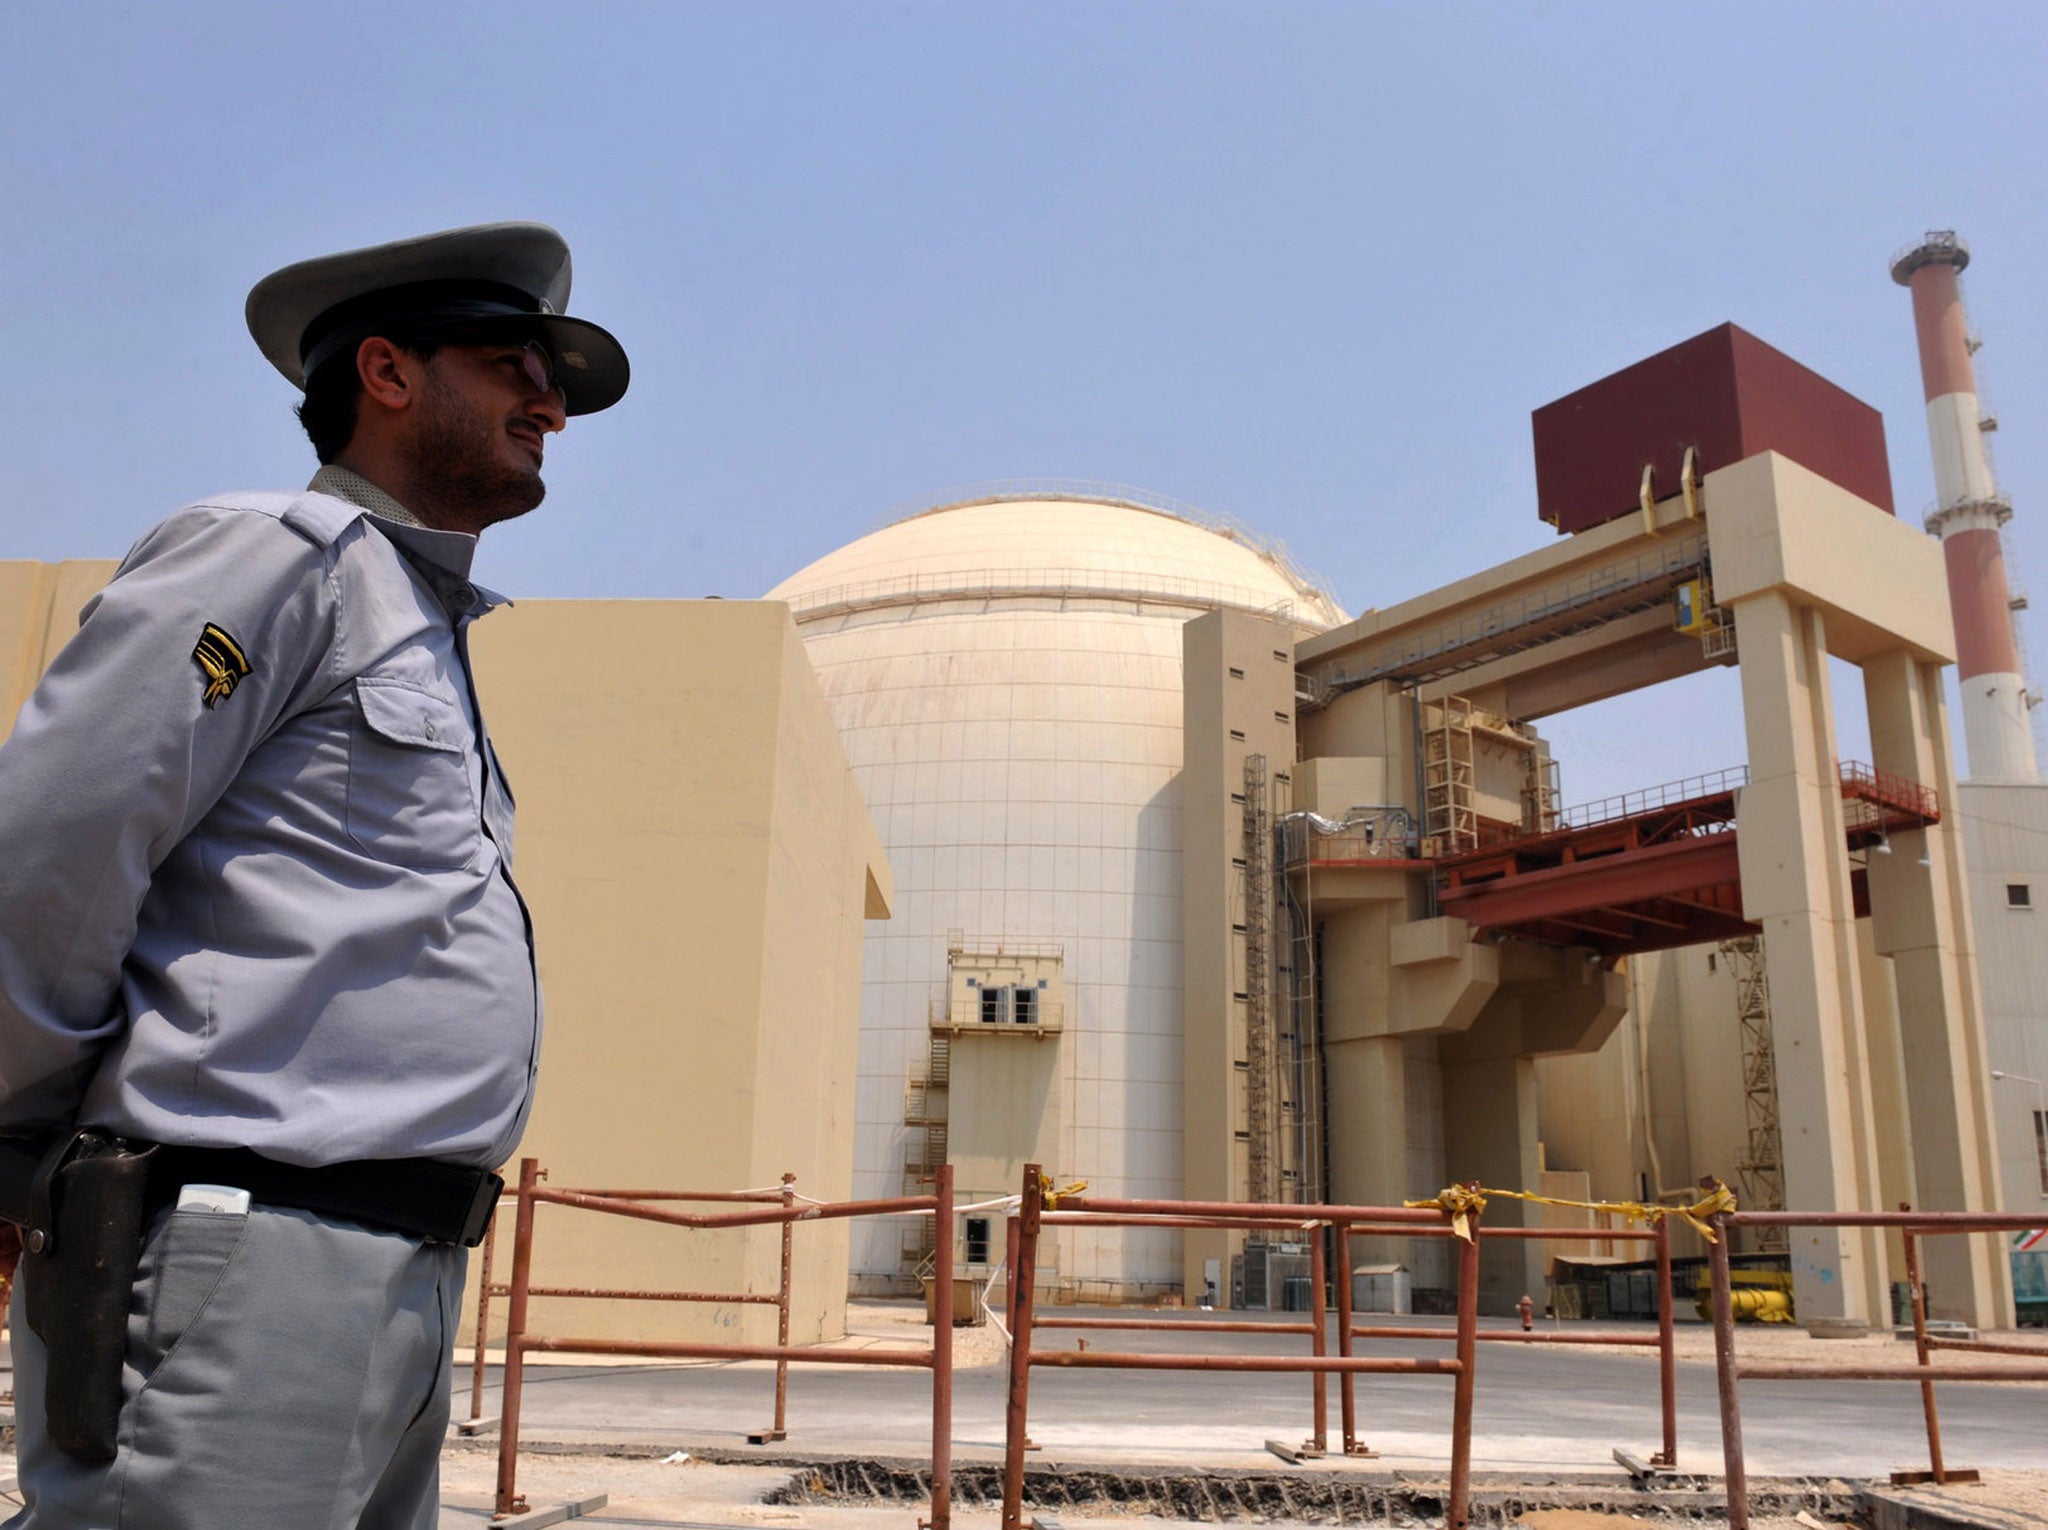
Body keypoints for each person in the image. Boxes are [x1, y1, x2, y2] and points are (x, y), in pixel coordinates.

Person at [0, 222, 628, 1528]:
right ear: (389, 372)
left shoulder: (416, 623)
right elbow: (54, 848)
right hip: (253, 1241)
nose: (550, 404)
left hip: (394, 1266)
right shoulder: (277, 556)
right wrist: (15, 1146)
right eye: (514, 362)